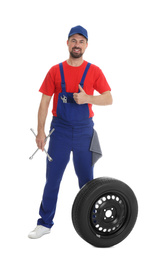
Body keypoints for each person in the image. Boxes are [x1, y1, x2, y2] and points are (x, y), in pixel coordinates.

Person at [28, 25, 113, 239]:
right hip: (60, 132)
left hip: (85, 131)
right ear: (67, 43)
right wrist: (40, 132)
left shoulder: (94, 71)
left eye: (81, 41)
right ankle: (44, 223)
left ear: (86, 45)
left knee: (87, 181)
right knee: (52, 179)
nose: (77, 45)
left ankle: (93, 221)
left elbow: (108, 98)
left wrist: (88, 99)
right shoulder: (55, 71)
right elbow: (44, 102)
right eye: (73, 40)